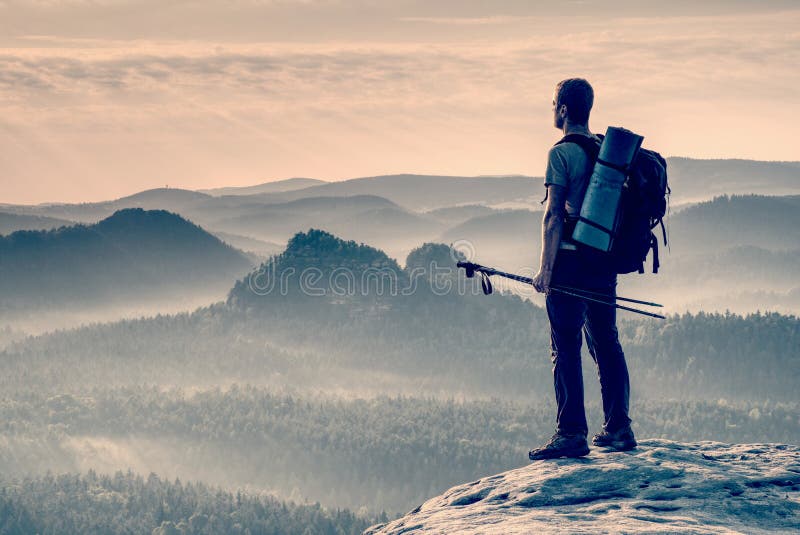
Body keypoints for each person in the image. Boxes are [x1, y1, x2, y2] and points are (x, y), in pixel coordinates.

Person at [529, 78, 637, 460]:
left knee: (566, 347)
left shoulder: (561, 154)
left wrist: (545, 269)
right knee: (607, 342)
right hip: (603, 261)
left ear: (562, 108)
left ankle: (572, 433)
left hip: (571, 263)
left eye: (552, 103)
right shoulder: (603, 150)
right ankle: (619, 427)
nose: (551, 109)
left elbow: (553, 216)